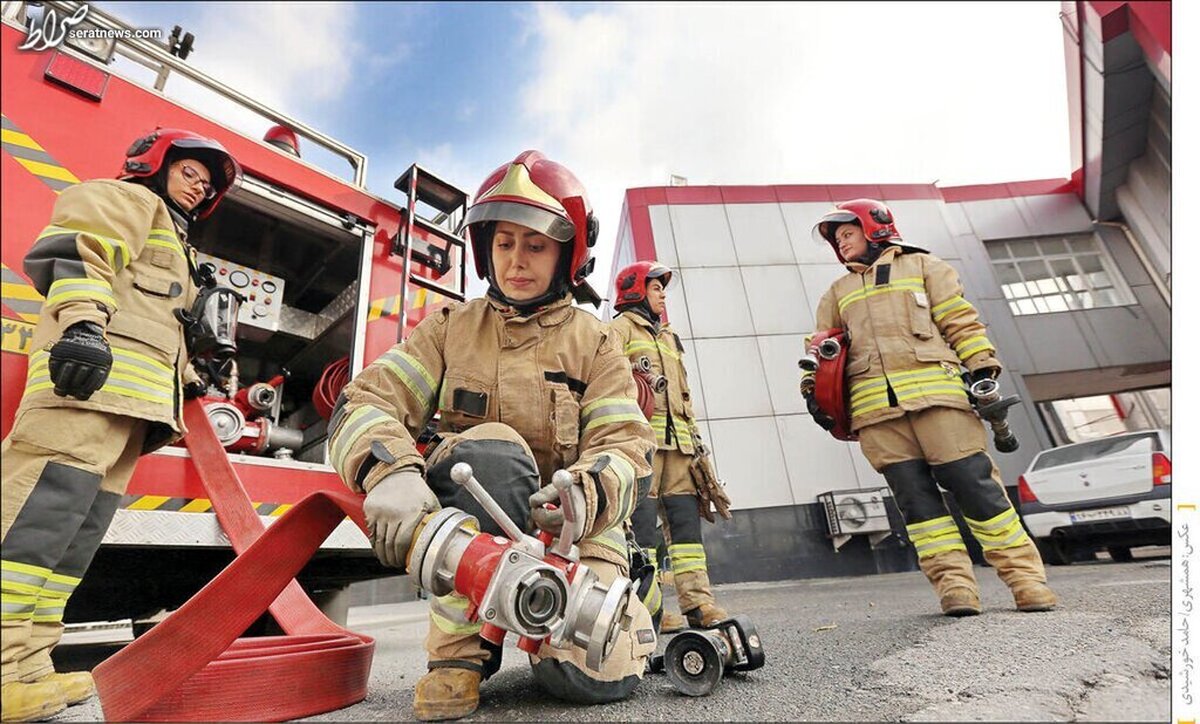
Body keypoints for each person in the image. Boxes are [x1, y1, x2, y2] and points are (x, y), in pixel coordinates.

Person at [326, 150, 658, 721]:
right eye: (504, 243)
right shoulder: (451, 328)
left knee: (588, 677)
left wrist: (582, 494)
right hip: (479, 516)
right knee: (490, 451)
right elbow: (366, 400)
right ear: (486, 249)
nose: (516, 261)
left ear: (567, 253)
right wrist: (392, 472)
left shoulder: (597, 341)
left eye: (535, 245)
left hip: (575, 531)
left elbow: (624, 445)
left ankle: (621, 600)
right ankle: (462, 652)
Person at [0, 129, 240, 722]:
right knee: (35, 522)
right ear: (153, 163)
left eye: (206, 185)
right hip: (84, 392)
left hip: (131, 414)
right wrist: (82, 326)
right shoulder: (128, 200)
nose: (198, 187)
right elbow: (79, 254)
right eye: (190, 172)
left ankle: (28, 666)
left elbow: (154, 320)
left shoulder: (181, 251)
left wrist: (194, 373)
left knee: (73, 541)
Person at [803, 199, 1058, 617]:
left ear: (874, 227)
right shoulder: (837, 292)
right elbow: (818, 347)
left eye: (847, 233)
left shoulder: (925, 267)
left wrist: (981, 367)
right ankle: (955, 588)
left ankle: (1026, 581)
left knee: (977, 490)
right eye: (838, 239)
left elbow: (960, 320)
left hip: (939, 401)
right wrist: (812, 390)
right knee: (918, 507)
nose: (842, 243)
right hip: (878, 416)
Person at [608, 261, 729, 634]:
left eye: (663, 288)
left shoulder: (669, 336)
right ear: (635, 289)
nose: (662, 294)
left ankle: (699, 603)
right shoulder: (618, 330)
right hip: (640, 447)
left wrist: (694, 443)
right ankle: (649, 609)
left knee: (686, 527)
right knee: (642, 530)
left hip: (679, 449)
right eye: (656, 287)